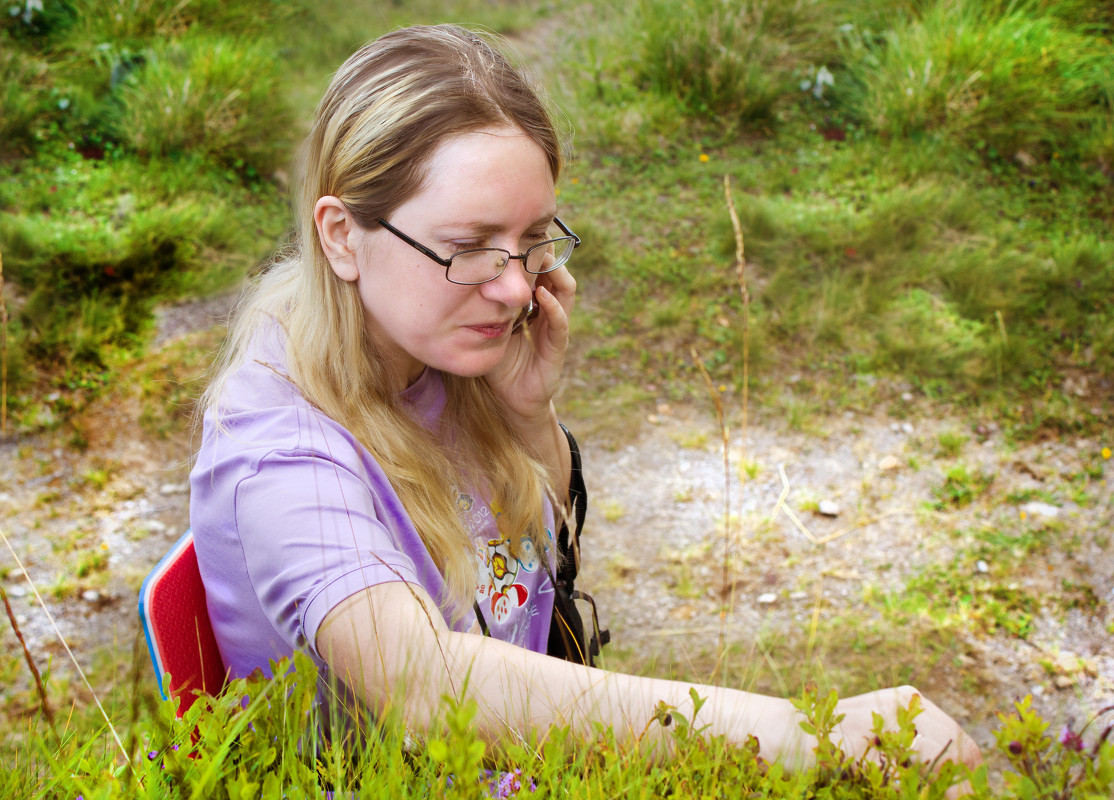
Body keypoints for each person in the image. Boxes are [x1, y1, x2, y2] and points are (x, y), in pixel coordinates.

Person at [189, 22, 982, 783]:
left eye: (533, 239)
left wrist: (529, 418)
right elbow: (422, 685)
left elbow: (537, 571)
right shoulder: (282, 452)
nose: (511, 288)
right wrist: (809, 733)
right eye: (468, 248)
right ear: (340, 235)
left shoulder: (433, 351)